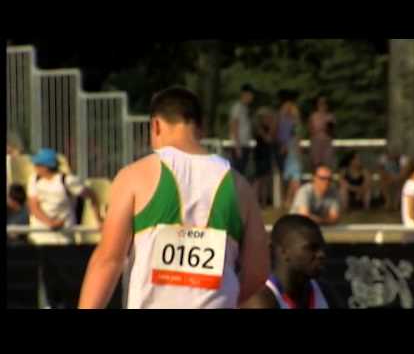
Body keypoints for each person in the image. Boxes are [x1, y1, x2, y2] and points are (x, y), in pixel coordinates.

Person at [78, 87, 269, 309]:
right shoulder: (240, 185)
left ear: (155, 125)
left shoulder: (136, 176)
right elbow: (257, 270)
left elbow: (108, 260)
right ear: (201, 128)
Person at [240, 215, 338, 309]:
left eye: (322, 247)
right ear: (283, 251)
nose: (321, 254)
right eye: (312, 248)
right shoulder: (260, 301)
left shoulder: (324, 291)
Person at [27, 148, 103, 245]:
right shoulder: (33, 180)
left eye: (37, 165)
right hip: (39, 236)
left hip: (64, 238)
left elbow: (92, 195)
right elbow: (33, 207)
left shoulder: (68, 181)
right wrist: (50, 223)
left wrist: (98, 219)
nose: (35, 167)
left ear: (46, 167)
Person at [229, 84, 256, 176]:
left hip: (245, 144)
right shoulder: (238, 107)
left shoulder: (246, 108)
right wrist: (237, 146)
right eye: (251, 95)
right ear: (245, 94)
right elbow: (234, 126)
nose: (252, 98)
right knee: (237, 172)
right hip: (239, 145)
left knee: (242, 172)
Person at [253, 107, 275, 208]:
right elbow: (268, 139)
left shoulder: (268, 128)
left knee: (266, 179)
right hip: (260, 154)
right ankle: (255, 200)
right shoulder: (260, 128)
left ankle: (264, 202)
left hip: (266, 154)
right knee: (259, 179)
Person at [283, 104, 303, 209]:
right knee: (295, 179)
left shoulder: (287, 124)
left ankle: (289, 200)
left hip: (291, 153)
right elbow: (296, 140)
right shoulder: (292, 124)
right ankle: (292, 201)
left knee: (294, 180)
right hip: (293, 153)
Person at [309, 95, 336, 169]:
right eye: (320, 103)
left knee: (327, 167)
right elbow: (311, 131)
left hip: (326, 144)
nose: (322, 105)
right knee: (316, 166)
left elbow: (332, 131)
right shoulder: (313, 116)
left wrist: (326, 127)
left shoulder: (330, 116)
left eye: (324, 103)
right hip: (316, 144)